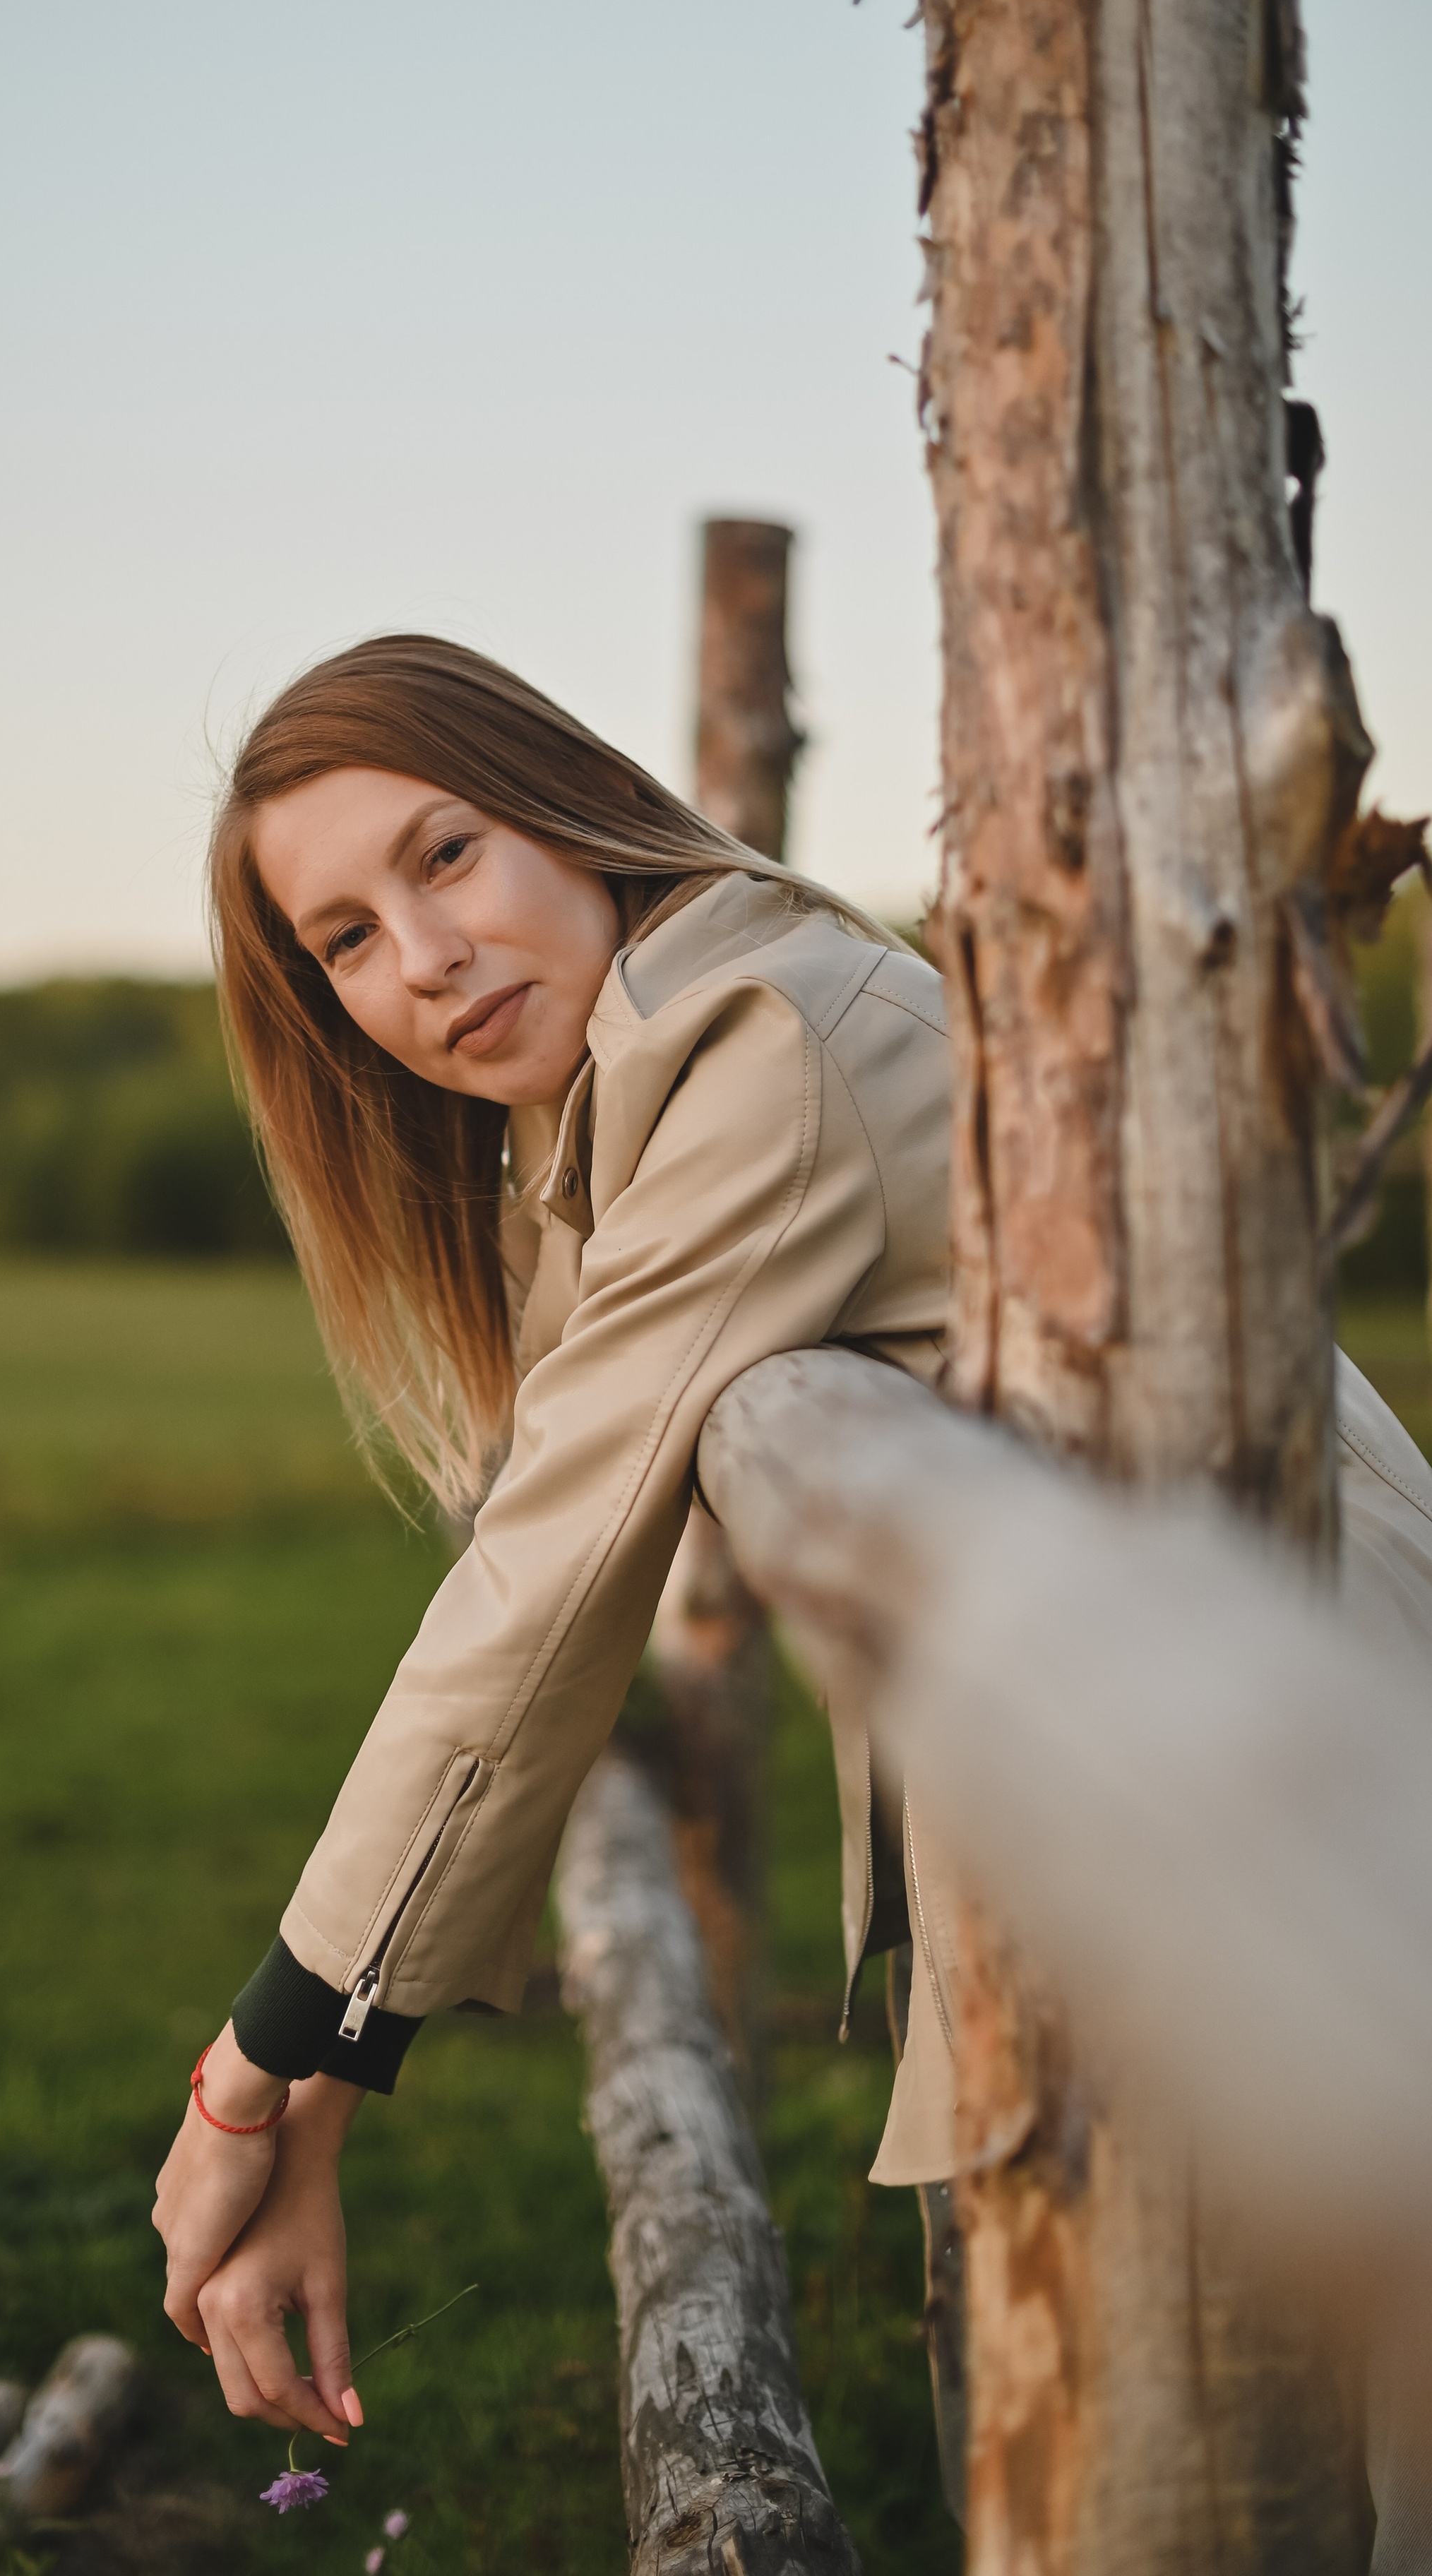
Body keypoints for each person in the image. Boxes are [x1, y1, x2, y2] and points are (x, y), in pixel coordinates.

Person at [150, 632, 1432, 2512]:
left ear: (576, 813)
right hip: (1124, 1694)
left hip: (1287, 1676)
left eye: (446, 854)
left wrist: (258, 2073)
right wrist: (312, 2099)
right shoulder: (603, 1114)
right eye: (343, 938)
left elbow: (538, 1583)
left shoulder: (762, 1042)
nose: (420, 957)